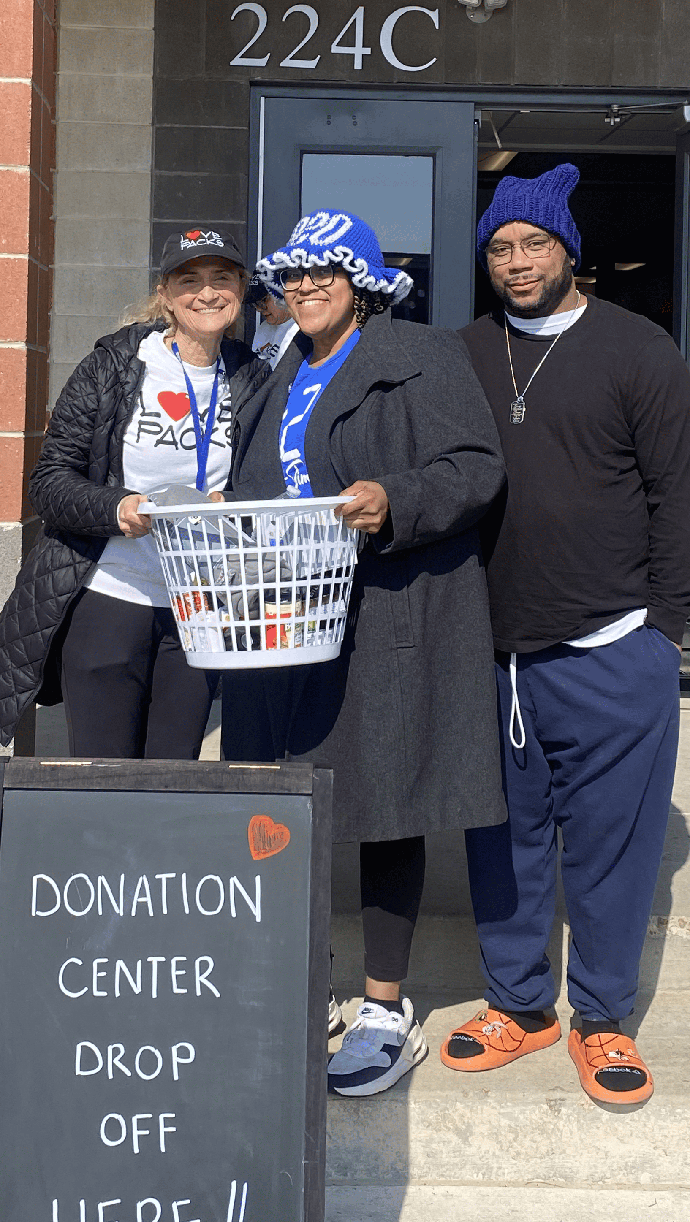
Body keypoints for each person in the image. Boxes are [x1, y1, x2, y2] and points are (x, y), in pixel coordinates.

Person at [220, 208, 507, 1096]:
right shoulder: (277, 372)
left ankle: (384, 1007)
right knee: (284, 807)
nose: (305, 290)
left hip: (388, 614)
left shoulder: (419, 355)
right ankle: (297, 987)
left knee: (388, 798)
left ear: (364, 287)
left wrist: (396, 498)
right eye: (294, 277)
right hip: (285, 625)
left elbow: (476, 466)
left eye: (326, 276)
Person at [440, 163, 690, 1107]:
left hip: (612, 643)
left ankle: (602, 1019)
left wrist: (664, 628)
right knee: (501, 842)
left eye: (533, 243)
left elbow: (678, 494)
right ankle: (520, 1005)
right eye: (500, 247)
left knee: (611, 847)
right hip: (495, 652)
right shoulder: (463, 351)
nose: (516, 261)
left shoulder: (637, 348)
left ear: (567, 250)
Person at [0, 227, 269, 756]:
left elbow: (270, 480)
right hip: (111, 594)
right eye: (190, 280)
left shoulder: (253, 377)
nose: (207, 293)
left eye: (222, 278)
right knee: (103, 776)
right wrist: (117, 507)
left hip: (199, 605)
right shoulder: (113, 368)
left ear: (241, 290)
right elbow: (50, 481)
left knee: (173, 778)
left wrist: (231, 504)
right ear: (166, 295)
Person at [245, 271, 299, 369]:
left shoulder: (301, 330)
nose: (259, 309)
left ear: (283, 294)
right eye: (255, 304)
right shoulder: (264, 328)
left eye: (264, 300)